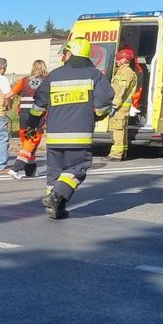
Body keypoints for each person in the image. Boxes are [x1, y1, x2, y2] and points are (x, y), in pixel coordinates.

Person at [26, 35, 113, 219]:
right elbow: (105, 103)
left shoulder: (54, 75)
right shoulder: (95, 75)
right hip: (79, 135)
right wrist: (97, 114)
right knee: (77, 168)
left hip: (55, 136)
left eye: (65, 52)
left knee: (54, 174)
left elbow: (38, 105)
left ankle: (56, 208)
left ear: (71, 53)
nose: (63, 56)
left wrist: (32, 124)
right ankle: (56, 196)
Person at [6, 59, 48, 179]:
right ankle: (15, 169)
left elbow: (9, 94)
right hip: (37, 115)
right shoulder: (46, 81)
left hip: (23, 116)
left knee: (27, 142)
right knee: (32, 142)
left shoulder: (24, 80)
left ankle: (30, 171)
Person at [107, 47, 139, 161]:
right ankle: (123, 151)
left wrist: (114, 105)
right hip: (123, 107)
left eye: (119, 58)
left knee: (117, 130)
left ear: (125, 59)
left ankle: (116, 154)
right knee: (122, 130)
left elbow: (121, 89)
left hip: (120, 107)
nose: (117, 60)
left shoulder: (125, 72)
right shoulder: (127, 71)